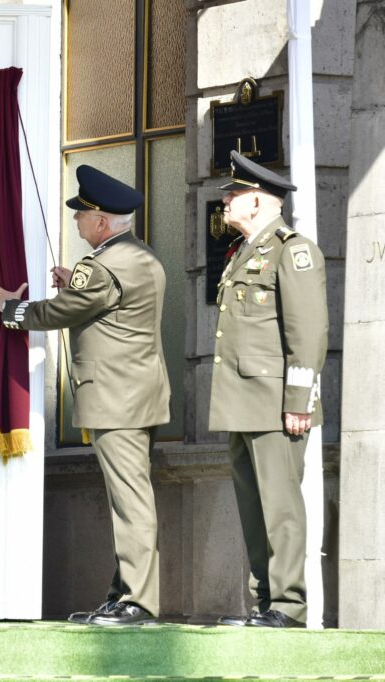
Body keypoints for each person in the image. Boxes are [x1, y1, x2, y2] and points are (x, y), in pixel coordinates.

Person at [0, 165, 169, 626]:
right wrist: (78, 285)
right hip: (136, 395)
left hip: (116, 399)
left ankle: (138, 603)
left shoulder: (103, 264)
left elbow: (69, 309)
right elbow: (104, 305)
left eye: (82, 216)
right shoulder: (139, 256)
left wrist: (12, 311)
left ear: (102, 223)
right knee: (131, 502)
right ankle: (123, 595)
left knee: (130, 504)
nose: (76, 222)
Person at [211, 151, 328, 629]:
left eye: (233, 194)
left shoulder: (292, 250)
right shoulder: (245, 252)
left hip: (277, 404)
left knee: (280, 508)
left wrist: (298, 403)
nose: (226, 201)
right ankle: (265, 604)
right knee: (253, 508)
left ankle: (289, 606)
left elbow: (309, 332)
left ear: (257, 202)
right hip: (242, 402)